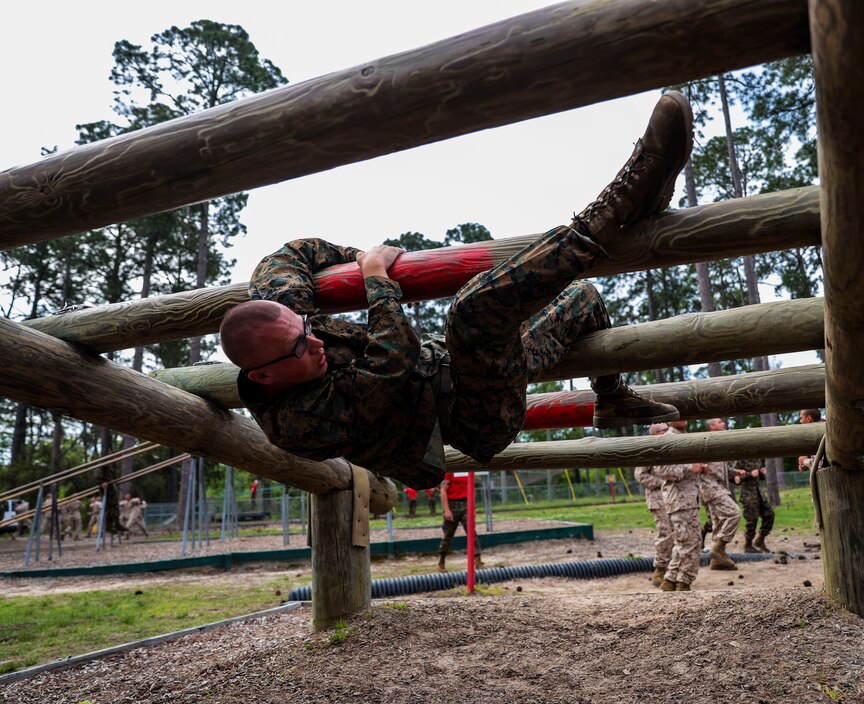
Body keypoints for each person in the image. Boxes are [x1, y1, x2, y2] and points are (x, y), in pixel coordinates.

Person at [218, 92, 692, 490]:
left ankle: (612, 395)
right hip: (472, 418)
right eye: (301, 345)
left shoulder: (282, 329)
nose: (314, 339)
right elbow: (393, 357)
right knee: (472, 311)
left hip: (462, 367)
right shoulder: (298, 423)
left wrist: (362, 257)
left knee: (583, 299)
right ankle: (621, 202)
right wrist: (376, 280)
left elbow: (288, 256)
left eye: (305, 327)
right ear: (262, 377)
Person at [656, 421, 703, 592]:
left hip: (689, 498)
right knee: (689, 542)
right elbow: (661, 469)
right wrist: (690, 468)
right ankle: (682, 583)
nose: (683, 418)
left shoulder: (684, 437)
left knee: (686, 541)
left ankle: (670, 581)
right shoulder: (668, 438)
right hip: (679, 499)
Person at [698, 418, 742, 570]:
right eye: (719, 422)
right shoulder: (704, 443)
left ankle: (717, 561)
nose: (723, 423)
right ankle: (718, 547)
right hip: (711, 488)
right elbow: (697, 466)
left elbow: (720, 469)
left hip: (720, 487)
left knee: (718, 523)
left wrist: (735, 472)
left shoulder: (719, 443)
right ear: (711, 426)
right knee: (734, 514)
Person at [634, 422, 673, 587]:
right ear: (654, 434)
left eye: (667, 429)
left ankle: (673, 571)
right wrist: (663, 482)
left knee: (680, 535)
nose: (666, 432)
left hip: (674, 499)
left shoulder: (671, 448)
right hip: (658, 500)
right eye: (662, 430)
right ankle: (659, 569)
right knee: (666, 534)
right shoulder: (649, 450)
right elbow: (640, 475)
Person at [437, 471, 483, 573]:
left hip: (466, 503)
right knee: (448, 535)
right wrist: (447, 510)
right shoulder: (450, 470)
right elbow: (443, 490)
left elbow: (471, 489)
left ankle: (478, 561)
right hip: (452, 504)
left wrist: (472, 508)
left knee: (472, 533)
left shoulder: (469, 470)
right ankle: (441, 562)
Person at [731, 450, 775, 554]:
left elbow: (759, 476)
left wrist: (762, 473)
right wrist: (749, 474)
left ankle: (760, 540)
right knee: (752, 519)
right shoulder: (741, 459)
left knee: (769, 515)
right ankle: (748, 545)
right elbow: (734, 477)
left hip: (759, 493)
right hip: (748, 494)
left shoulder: (757, 457)